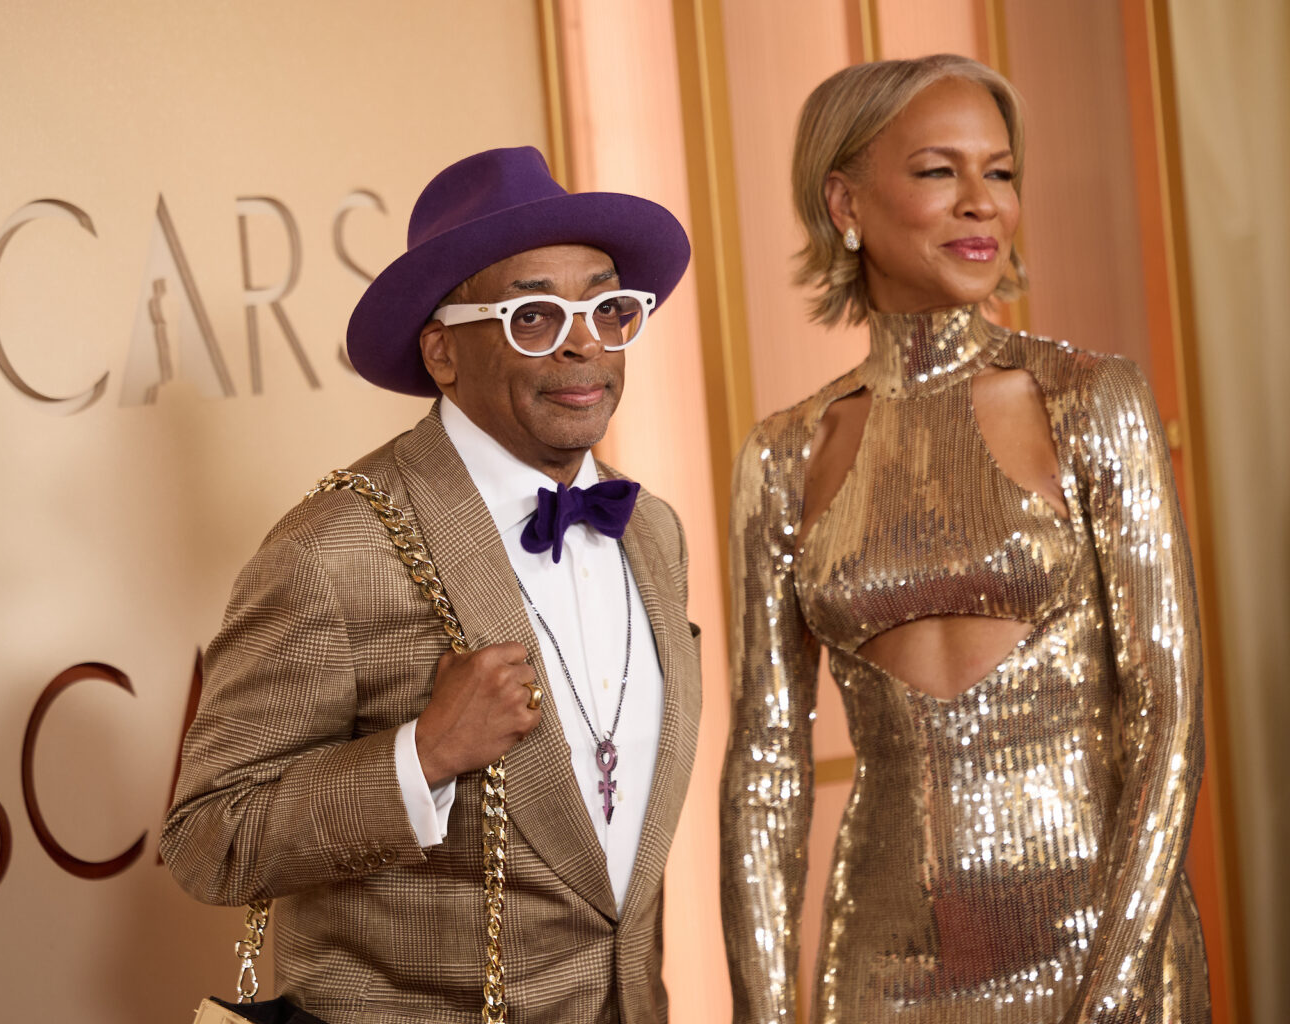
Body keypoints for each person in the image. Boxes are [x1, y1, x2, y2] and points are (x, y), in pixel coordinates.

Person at [163, 146, 701, 1024]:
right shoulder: (330, 550)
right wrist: (422, 756)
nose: (583, 343)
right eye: (533, 316)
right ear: (444, 354)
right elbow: (207, 840)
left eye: (608, 308)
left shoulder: (654, 533)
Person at [720, 55, 1208, 1023]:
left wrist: (1115, 992)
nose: (982, 203)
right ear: (845, 200)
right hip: (884, 967)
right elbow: (766, 769)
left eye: (1001, 172)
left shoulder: (1089, 398)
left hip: (1100, 942)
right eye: (940, 171)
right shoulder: (787, 451)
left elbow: (1169, 719)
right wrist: (763, 1011)